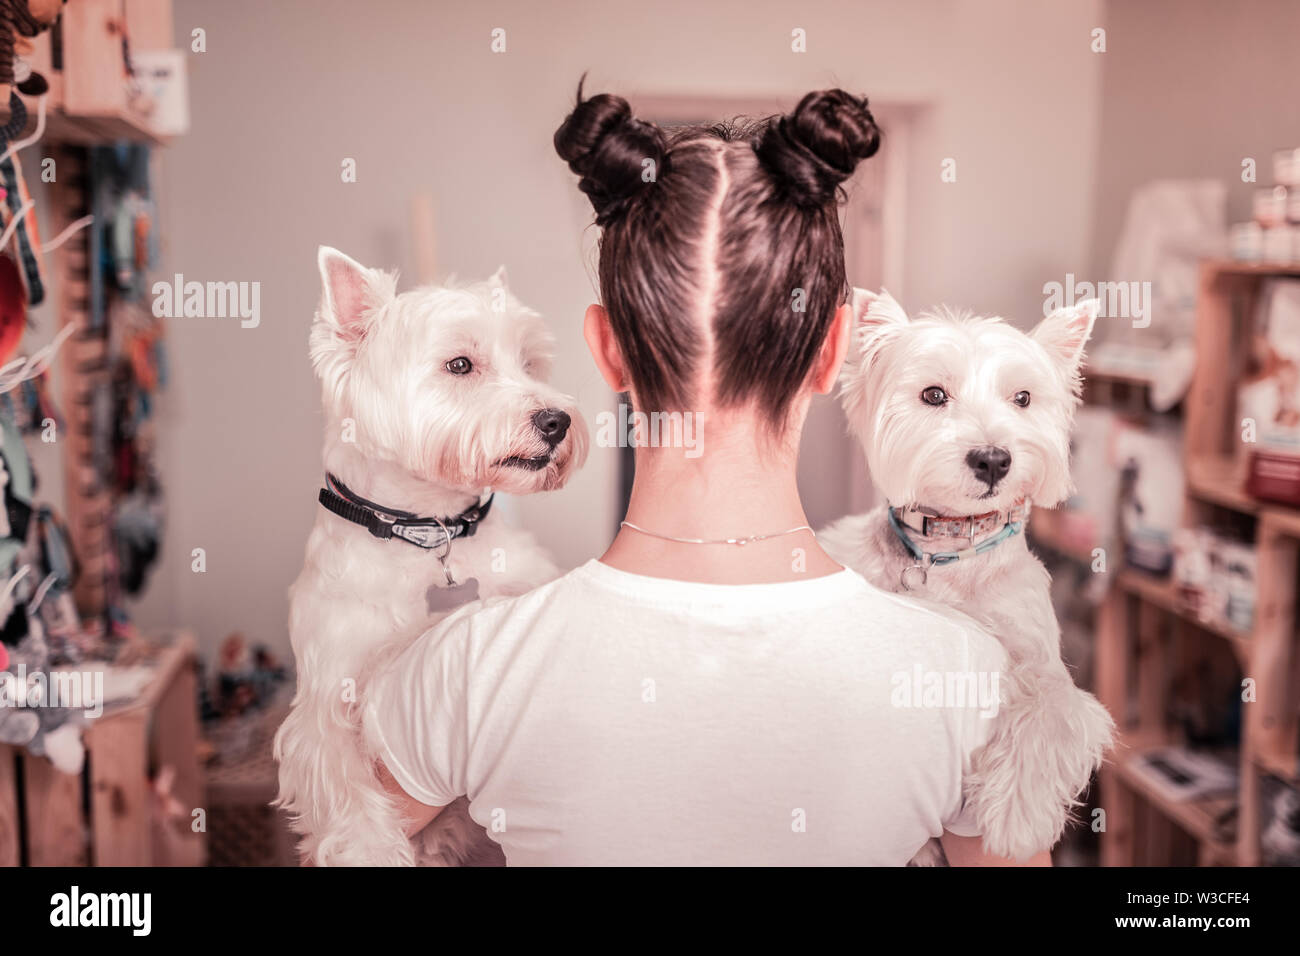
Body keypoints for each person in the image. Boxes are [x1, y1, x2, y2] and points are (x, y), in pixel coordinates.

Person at [362, 84, 1047, 865]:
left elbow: (347, 840)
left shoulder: (466, 667)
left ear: (607, 348)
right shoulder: (968, 681)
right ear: (833, 352)